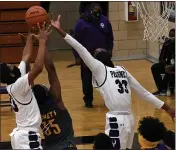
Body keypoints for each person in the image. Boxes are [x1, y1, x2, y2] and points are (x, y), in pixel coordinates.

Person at [50, 15, 175, 150]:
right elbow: (143, 92)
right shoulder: (122, 70)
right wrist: (167, 108)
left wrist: (60, 31)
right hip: (130, 118)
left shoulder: (100, 69)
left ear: (97, 60)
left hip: (117, 120)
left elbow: (81, 49)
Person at [0, 23, 51, 149]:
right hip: (27, 138)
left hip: (22, 135)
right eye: (10, 66)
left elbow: (25, 56)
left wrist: (29, 37)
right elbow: (38, 68)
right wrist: (42, 41)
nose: (13, 65)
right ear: (10, 74)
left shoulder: (16, 79)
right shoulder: (18, 85)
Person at [32, 48, 76, 150]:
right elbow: (51, 68)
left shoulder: (35, 109)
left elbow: (28, 81)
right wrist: (43, 45)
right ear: (47, 93)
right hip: (66, 146)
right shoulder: (56, 100)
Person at [72, 2, 114, 108]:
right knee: (87, 79)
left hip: (103, 55)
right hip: (87, 56)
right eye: (96, 13)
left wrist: (110, 50)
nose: (98, 15)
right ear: (89, 12)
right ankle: (88, 100)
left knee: (108, 77)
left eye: (99, 13)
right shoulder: (80, 23)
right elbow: (75, 41)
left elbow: (110, 36)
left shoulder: (104, 20)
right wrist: (77, 57)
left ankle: (109, 99)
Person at [151, 28, 175, 96]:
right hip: (168, 66)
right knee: (155, 67)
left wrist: (173, 66)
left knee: (170, 71)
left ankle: (170, 87)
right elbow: (161, 58)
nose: (172, 38)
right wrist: (165, 65)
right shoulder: (167, 44)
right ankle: (162, 90)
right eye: (171, 36)